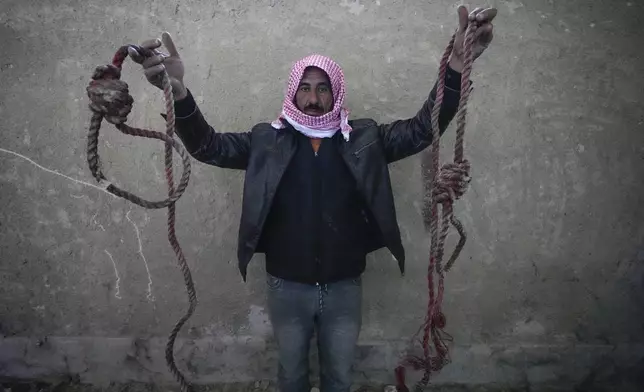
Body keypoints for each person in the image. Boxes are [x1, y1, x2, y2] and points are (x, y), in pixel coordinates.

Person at [129, 5, 496, 392]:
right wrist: (179, 92)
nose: (314, 97)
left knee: (339, 376)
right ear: (293, 92)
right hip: (286, 286)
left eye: (323, 88)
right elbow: (206, 146)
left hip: (344, 286)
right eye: (305, 87)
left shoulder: (365, 139)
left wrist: (458, 62)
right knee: (291, 375)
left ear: (335, 92)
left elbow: (425, 128)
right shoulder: (266, 141)